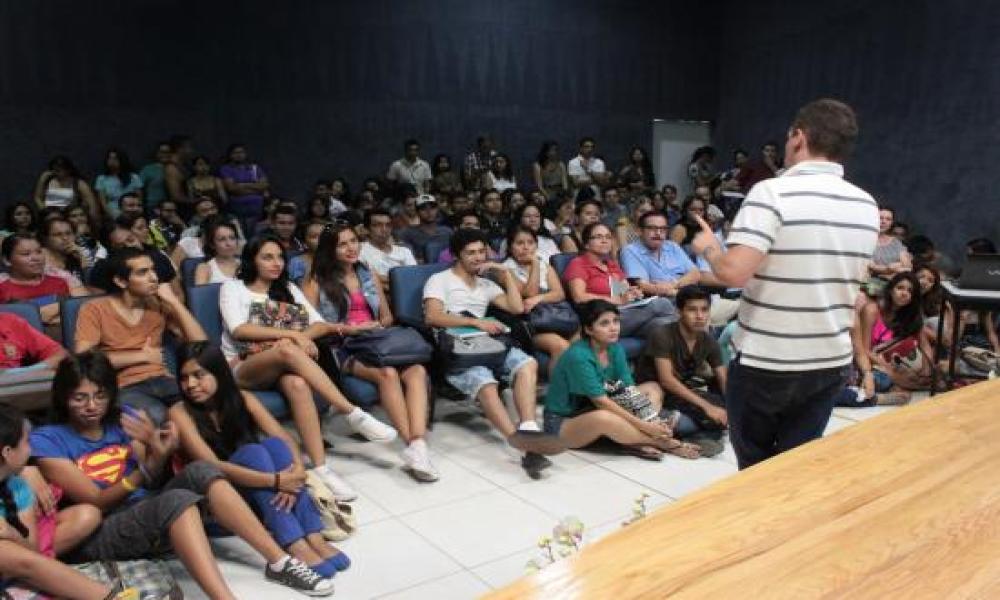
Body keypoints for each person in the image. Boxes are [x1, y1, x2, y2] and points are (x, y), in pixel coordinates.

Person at [32, 352, 334, 598]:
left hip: (144, 510)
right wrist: (145, 468)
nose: (91, 406)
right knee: (176, 500)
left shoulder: (125, 420)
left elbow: (153, 477)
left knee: (202, 469)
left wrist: (158, 450)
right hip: (103, 528)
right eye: (80, 398)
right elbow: (97, 501)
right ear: (63, 398)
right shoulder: (47, 439)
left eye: (100, 396)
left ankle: (279, 562)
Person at [691, 98, 879, 469]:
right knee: (794, 467)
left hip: (769, 358)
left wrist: (709, 248)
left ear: (797, 137)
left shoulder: (772, 193)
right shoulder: (866, 204)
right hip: (829, 359)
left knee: (756, 470)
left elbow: (733, 273)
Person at [220, 236, 397, 497]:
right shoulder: (233, 288)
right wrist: (294, 336)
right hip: (244, 365)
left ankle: (322, 468)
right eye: (267, 257)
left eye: (280, 257)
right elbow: (239, 329)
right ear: (251, 260)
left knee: (298, 384)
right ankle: (351, 412)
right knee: (287, 349)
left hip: (285, 365)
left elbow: (320, 324)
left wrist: (301, 338)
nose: (276, 263)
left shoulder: (288, 288)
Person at [170, 342, 351, 579]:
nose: (191, 384)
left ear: (219, 372)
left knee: (274, 446)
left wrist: (296, 473)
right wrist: (276, 481)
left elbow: (282, 436)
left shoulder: (243, 399)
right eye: (184, 378)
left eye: (198, 375)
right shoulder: (179, 412)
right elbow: (212, 464)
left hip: (260, 490)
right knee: (253, 453)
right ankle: (294, 543)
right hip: (221, 501)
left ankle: (314, 537)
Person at [423, 228, 565, 478]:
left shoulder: (486, 284)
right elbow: (432, 316)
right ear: (456, 255)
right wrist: (475, 322)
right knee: (486, 383)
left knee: (527, 364)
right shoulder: (440, 280)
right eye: (471, 253)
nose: (478, 257)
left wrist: (506, 274)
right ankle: (523, 446)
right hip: (458, 349)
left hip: (488, 344)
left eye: (481, 252)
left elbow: (517, 308)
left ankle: (528, 427)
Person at [303, 225, 437, 482]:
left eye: (354, 241)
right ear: (329, 249)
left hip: (375, 340)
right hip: (341, 346)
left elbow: (387, 316)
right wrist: (350, 329)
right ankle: (412, 444)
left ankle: (417, 445)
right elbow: (313, 326)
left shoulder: (367, 273)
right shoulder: (315, 280)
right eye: (342, 244)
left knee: (417, 371)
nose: (351, 248)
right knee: (388, 374)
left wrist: (375, 325)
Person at [0, 407, 141, 600]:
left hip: (16, 557)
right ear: (7, 452)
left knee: (22, 556)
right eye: (26, 442)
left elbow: (33, 550)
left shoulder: (18, 487)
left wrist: (12, 533)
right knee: (16, 557)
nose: (31, 449)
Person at [543, 299, 699, 459]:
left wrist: (651, 420)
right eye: (604, 323)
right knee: (604, 418)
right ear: (589, 329)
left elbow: (629, 390)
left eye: (616, 321)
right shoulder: (578, 356)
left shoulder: (615, 348)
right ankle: (662, 442)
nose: (613, 328)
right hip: (564, 422)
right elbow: (601, 402)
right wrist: (644, 426)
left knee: (653, 388)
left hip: (595, 406)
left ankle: (639, 436)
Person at [76, 247, 205, 425]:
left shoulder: (158, 305)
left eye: (153, 270)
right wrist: (142, 356)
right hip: (123, 385)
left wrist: (174, 302)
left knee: (207, 403)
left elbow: (201, 345)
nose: (154, 278)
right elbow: (84, 357)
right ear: (121, 281)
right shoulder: (95, 309)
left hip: (163, 379)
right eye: (143, 272)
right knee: (158, 416)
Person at [637, 287, 727, 456]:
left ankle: (697, 435)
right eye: (692, 310)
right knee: (705, 416)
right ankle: (691, 434)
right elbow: (666, 380)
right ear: (679, 311)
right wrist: (708, 407)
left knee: (722, 408)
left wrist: (734, 409)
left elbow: (723, 378)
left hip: (680, 394)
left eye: (704, 309)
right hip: (655, 395)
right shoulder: (662, 334)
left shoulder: (708, 340)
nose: (700, 316)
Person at [564, 223, 675, 336]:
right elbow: (579, 297)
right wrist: (613, 300)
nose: (604, 241)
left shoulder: (610, 265)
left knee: (664, 324)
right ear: (586, 244)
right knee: (662, 304)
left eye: (608, 237)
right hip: (601, 317)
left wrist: (632, 293)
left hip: (625, 312)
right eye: (598, 237)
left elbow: (621, 292)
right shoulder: (579, 264)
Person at [837, 272, 930, 407]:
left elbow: (925, 345)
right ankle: (880, 393)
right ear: (891, 290)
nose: (904, 293)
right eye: (900, 288)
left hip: (884, 364)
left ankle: (894, 385)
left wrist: (926, 370)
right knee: (883, 379)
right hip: (862, 362)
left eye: (910, 291)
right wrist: (890, 371)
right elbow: (864, 350)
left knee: (909, 375)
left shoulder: (910, 317)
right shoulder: (871, 310)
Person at [502, 225, 576, 374]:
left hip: (556, 319)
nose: (526, 247)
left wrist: (539, 298)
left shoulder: (545, 265)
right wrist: (535, 264)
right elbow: (529, 292)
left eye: (530, 243)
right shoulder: (505, 269)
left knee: (587, 341)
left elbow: (559, 294)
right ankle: (559, 387)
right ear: (510, 247)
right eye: (520, 243)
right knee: (561, 346)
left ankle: (589, 384)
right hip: (530, 327)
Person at [0, 234, 77, 326]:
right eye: (26, 254)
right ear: (7, 260)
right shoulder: (3, 289)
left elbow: (69, 317)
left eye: (39, 252)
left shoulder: (59, 283)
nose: (36, 258)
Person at [621, 212, 701, 300]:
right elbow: (644, 286)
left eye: (663, 229)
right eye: (652, 228)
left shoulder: (672, 246)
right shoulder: (630, 251)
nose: (658, 233)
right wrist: (679, 287)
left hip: (686, 296)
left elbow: (695, 274)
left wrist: (673, 285)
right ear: (639, 231)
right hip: (659, 301)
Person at [358, 208, 417, 291]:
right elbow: (366, 280)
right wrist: (400, 279)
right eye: (377, 225)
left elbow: (414, 278)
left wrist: (381, 279)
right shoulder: (359, 250)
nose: (384, 230)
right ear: (366, 229)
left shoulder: (404, 251)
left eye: (388, 225)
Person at [220, 143, 270, 232]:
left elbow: (264, 185)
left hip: (257, 207)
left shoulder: (255, 168)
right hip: (238, 207)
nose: (239, 155)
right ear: (230, 155)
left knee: (255, 232)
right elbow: (232, 188)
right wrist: (255, 188)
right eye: (236, 153)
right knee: (241, 232)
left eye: (241, 152)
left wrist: (242, 185)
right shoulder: (226, 169)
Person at [33, 156, 100, 221]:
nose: (57, 171)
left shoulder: (78, 183)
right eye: (55, 169)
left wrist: (93, 220)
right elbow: (38, 198)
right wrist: (46, 212)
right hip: (51, 218)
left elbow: (92, 205)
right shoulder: (47, 181)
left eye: (60, 169)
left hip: (73, 218)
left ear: (68, 169)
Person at [865, 204, 911, 295]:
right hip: (872, 286)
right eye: (881, 218)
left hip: (895, 287)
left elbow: (908, 267)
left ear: (891, 223)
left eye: (888, 219)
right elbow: (871, 266)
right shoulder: (867, 240)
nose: (884, 222)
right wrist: (890, 268)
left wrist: (889, 269)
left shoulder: (896, 242)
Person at [397, 195, 452, 263]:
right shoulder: (408, 233)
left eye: (432, 208)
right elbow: (405, 257)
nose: (429, 212)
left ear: (437, 209)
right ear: (417, 211)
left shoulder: (447, 231)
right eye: (423, 209)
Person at [39, 216, 89, 287]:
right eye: (58, 234)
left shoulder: (77, 255)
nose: (65, 238)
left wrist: (82, 258)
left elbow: (90, 285)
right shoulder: (39, 258)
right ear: (46, 239)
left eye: (68, 233)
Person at [94, 148, 143, 218]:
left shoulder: (134, 177)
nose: (112, 161)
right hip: (113, 212)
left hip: (132, 210)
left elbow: (140, 198)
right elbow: (103, 203)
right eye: (110, 158)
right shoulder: (101, 179)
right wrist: (112, 215)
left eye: (115, 159)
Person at [194, 218, 241, 285]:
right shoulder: (205, 268)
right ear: (212, 244)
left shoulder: (246, 265)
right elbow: (200, 291)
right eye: (222, 239)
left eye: (232, 238)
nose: (229, 243)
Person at [288, 220, 326, 284]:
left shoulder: (337, 259)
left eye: (323, 235)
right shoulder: (296, 263)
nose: (320, 240)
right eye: (314, 237)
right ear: (305, 242)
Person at [139, 140, 173, 209]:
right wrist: (141, 205)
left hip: (171, 206)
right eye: (162, 152)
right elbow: (140, 189)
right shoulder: (148, 169)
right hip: (152, 206)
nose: (165, 155)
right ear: (157, 153)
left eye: (168, 152)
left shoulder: (176, 169)